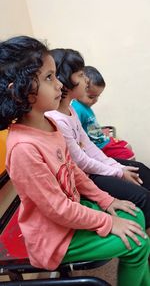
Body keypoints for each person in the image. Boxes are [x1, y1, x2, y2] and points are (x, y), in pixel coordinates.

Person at [0, 36, 149, 286]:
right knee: (138, 244)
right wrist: (107, 221)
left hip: (70, 216)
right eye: (49, 77)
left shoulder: (49, 125)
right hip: (53, 237)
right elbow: (57, 208)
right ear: (20, 92)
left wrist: (106, 200)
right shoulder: (23, 148)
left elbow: (75, 172)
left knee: (137, 215)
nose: (60, 84)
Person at [46, 48, 150, 236]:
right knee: (143, 197)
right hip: (84, 177)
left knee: (141, 170)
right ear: (66, 80)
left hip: (92, 169)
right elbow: (81, 162)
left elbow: (90, 147)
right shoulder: (56, 119)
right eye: (80, 74)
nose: (86, 79)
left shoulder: (70, 110)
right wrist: (118, 172)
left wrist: (117, 166)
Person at [71, 66, 135, 160]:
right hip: (99, 146)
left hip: (103, 140)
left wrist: (100, 132)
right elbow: (77, 133)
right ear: (79, 89)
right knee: (129, 156)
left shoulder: (86, 106)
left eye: (98, 96)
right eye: (91, 97)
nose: (95, 100)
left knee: (127, 146)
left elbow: (89, 126)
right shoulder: (77, 108)